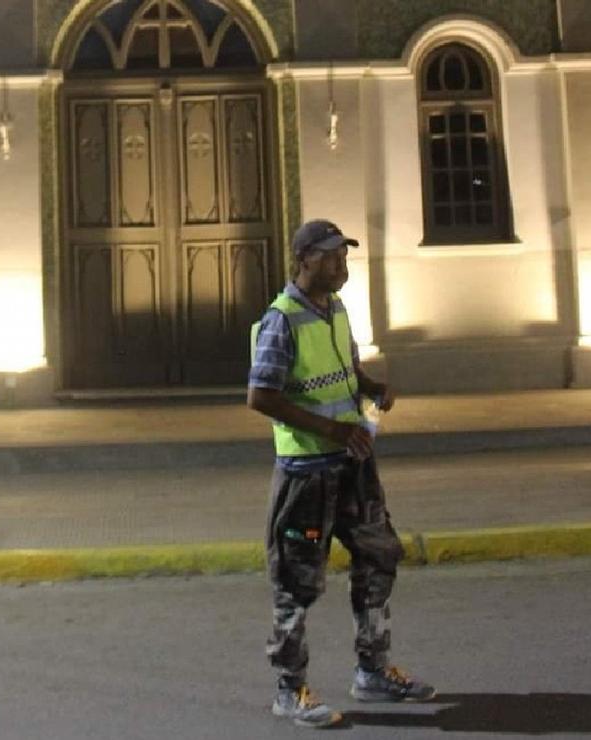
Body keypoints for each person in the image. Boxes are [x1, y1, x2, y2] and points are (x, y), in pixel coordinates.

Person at [248, 219, 435, 729]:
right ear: (304, 258)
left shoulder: (335, 310)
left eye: (344, 256)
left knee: (379, 557)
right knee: (296, 582)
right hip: (307, 475)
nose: (341, 265)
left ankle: (372, 671)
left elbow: (344, 372)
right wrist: (331, 430)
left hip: (353, 467)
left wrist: (371, 386)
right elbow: (261, 395)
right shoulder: (280, 321)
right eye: (332, 257)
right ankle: (290, 690)